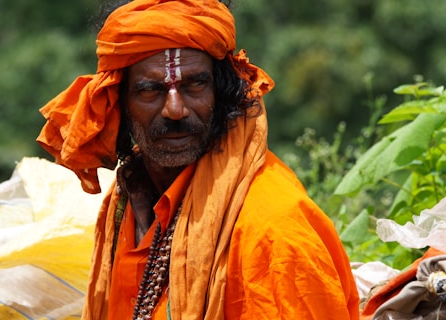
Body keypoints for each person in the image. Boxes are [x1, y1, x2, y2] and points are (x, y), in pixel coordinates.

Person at [37, 0, 360, 319]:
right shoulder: (127, 199)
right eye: (151, 90)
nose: (175, 110)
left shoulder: (272, 228)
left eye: (195, 85)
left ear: (221, 92)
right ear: (118, 101)